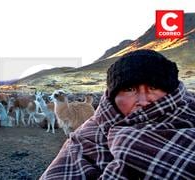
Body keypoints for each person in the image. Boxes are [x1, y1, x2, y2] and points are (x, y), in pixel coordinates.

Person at [40, 49, 195, 179]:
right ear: (113, 97)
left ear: (171, 92)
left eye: (153, 87)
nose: (143, 100)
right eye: (129, 89)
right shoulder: (85, 140)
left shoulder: (189, 117)